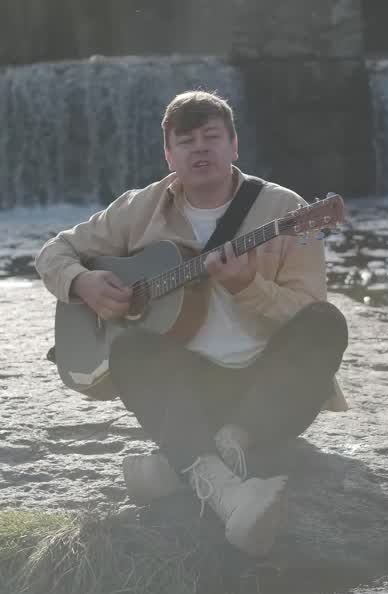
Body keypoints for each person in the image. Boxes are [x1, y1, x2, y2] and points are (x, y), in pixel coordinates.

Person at [35, 90, 348, 557]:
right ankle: (223, 484)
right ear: (169, 154)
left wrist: (248, 287)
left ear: (234, 145)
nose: (200, 148)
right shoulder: (139, 208)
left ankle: (193, 459)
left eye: (212, 137)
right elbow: (53, 252)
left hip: (270, 391)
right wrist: (82, 283)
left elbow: (305, 311)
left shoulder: (288, 212)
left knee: (328, 324)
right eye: (186, 141)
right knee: (130, 349)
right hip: (186, 392)